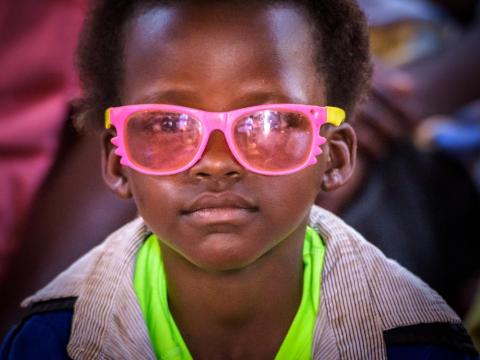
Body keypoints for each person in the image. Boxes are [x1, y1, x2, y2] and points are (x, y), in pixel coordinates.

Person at [0, 0, 477, 358]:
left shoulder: (410, 334)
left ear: (335, 157)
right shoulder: (50, 332)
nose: (216, 163)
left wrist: (411, 94)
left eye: (270, 121)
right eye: (169, 124)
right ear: (115, 163)